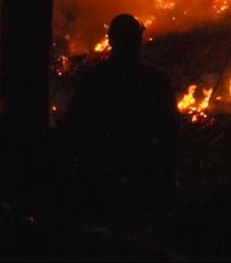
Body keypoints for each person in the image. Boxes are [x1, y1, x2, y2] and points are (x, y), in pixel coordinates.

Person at [62, 13, 178, 221]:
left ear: (111, 41)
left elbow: (73, 125)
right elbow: (170, 132)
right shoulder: (156, 81)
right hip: (143, 178)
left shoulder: (95, 80)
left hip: (103, 177)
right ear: (139, 40)